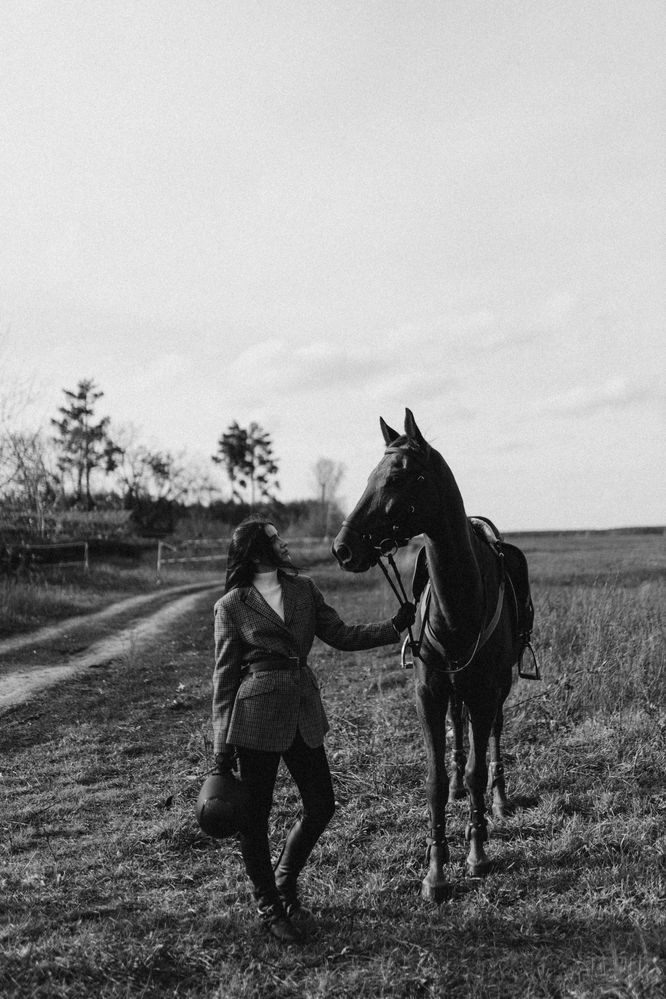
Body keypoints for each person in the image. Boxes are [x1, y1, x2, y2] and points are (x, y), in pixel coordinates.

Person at [211, 516, 415, 944]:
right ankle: (269, 906)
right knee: (255, 818)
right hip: (255, 717)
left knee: (321, 805)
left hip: (303, 709)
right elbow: (224, 679)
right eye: (274, 539)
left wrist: (393, 627)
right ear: (256, 551)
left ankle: (285, 879)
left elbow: (339, 634)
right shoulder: (232, 605)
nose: (283, 544)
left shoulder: (303, 590)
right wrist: (221, 748)